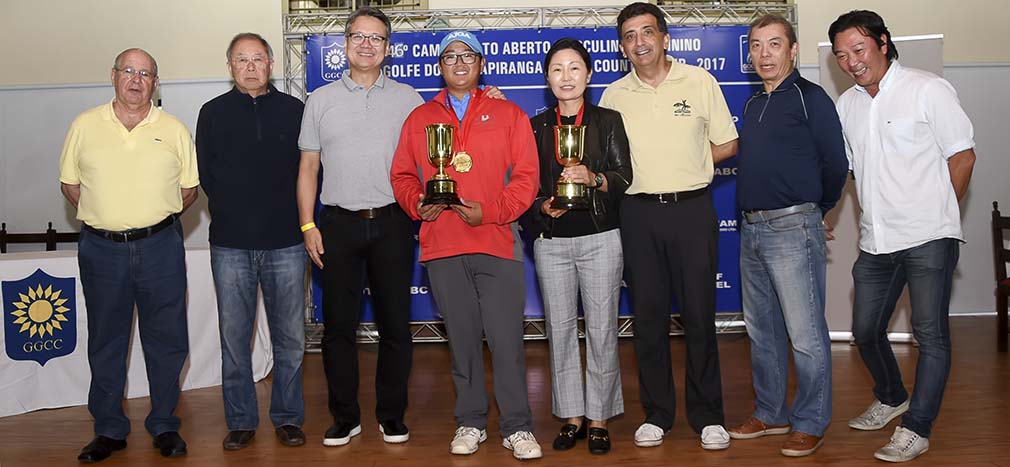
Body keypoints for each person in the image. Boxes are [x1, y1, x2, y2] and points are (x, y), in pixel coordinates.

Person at [829, 10, 976, 463]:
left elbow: (963, 157)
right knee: (865, 330)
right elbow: (850, 170)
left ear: (883, 42)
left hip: (929, 236)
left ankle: (917, 427)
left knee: (929, 336)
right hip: (876, 241)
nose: (851, 62)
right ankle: (893, 396)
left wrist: (938, 213)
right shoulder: (847, 105)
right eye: (841, 55)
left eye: (859, 49)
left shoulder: (927, 88)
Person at [389, 30, 542, 460]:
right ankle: (471, 421)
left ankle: (517, 427)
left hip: (496, 240)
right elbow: (402, 175)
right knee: (461, 340)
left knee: (507, 340)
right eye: (450, 56)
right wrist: (417, 203)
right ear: (440, 66)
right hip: (442, 244)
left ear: (480, 64)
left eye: (467, 55)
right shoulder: (419, 119)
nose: (459, 63)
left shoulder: (509, 113)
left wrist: (490, 212)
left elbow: (527, 178)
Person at [598, 2, 738, 450]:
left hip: (692, 210)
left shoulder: (700, 81)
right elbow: (606, 161)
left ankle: (708, 415)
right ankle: (657, 414)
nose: (639, 43)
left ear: (664, 38)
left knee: (699, 317)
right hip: (637, 214)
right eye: (629, 36)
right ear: (622, 46)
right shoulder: (614, 95)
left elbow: (728, 142)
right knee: (649, 319)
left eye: (647, 33)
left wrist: (691, 163)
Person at [59, 48, 198, 462]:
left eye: (146, 73)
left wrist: (149, 219)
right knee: (106, 340)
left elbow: (189, 191)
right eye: (129, 71)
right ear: (114, 76)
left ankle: (164, 424)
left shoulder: (173, 128)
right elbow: (71, 184)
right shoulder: (85, 125)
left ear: (156, 83)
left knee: (168, 340)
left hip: (161, 247)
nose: (137, 79)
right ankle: (109, 429)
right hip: (101, 250)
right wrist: (110, 217)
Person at [297, 6, 422, 447]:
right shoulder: (320, 100)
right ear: (345, 43)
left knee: (395, 326)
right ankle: (344, 417)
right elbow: (308, 168)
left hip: (393, 223)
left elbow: (430, 160)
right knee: (338, 330)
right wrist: (308, 224)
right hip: (337, 226)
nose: (367, 44)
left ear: (388, 48)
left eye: (377, 38)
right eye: (358, 36)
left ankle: (391, 415)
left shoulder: (409, 99)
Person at [726, 14, 847, 457]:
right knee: (762, 332)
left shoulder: (810, 98)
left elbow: (836, 163)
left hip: (794, 228)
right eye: (756, 46)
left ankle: (811, 420)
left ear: (793, 50)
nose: (764, 54)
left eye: (774, 44)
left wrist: (819, 209)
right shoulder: (754, 103)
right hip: (752, 230)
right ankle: (771, 412)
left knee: (805, 334)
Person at [520, 38, 632, 456]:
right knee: (561, 332)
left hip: (602, 237)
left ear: (588, 74)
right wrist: (540, 206)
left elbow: (624, 177)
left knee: (602, 330)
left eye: (574, 68)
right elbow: (525, 186)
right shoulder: (534, 126)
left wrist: (593, 177)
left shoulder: (609, 120)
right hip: (552, 242)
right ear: (547, 79)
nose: (566, 77)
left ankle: (600, 418)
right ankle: (572, 417)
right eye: (557, 69)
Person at [196, 32, 307, 451]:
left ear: (271, 63)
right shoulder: (212, 113)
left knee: (290, 338)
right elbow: (207, 176)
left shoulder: (296, 110)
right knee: (234, 338)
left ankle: (288, 418)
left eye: (257, 59)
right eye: (241, 60)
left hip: (286, 243)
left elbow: (309, 171)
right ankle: (241, 420)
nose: (250, 66)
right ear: (230, 67)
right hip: (230, 244)